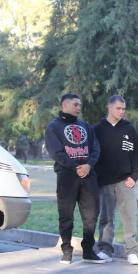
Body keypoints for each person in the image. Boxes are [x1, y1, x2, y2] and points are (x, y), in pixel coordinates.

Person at [44, 93, 107, 264]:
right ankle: (66, 249)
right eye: (75, 104)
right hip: (66, 177)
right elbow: (56, 153)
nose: (79, 108)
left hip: (88, 176)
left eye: (80, 105)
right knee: (66, 214)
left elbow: (95, 149)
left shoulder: (86, 126)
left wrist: (88, 166)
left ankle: (88, 250)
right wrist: (75, 167)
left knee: (91, 215)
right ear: (65, 105)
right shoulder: (53, 127)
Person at [93, 95, 138, 265]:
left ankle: (132, 251)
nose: (121, 111)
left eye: (123, 109)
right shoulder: (98, 129)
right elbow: (92, 155)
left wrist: (135, 176)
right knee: (106, 218)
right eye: (118, 108)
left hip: (125, 180)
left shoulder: (129, 129)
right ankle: (106, 250)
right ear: (109, 107)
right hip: (104, 182)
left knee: (130, 216)